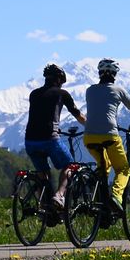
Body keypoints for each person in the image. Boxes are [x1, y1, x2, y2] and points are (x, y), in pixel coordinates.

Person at [83, 58, 130, 215]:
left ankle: (98, 201)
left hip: (89, 136)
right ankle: (116, 197)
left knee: (103, 166)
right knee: (123, 169)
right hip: (110, 135)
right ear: (115, 74)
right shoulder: (118, 90)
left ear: (99, 73)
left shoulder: (89, 90)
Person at [24, 64, 86, 208]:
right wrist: (90, 127)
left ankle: (44, 207)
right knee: (69, 166)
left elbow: (41, 114)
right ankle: (59, 196)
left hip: (30, 141)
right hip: (49, 140)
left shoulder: (34, 94)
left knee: (43, 174)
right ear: (59, 80)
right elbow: (78, 115)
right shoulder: (62, 94)